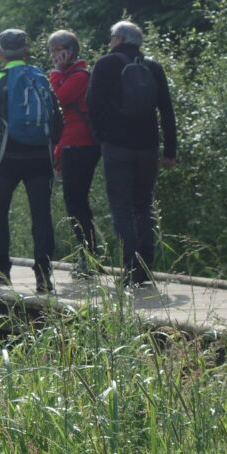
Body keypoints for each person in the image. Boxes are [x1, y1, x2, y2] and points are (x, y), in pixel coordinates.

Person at [0, 29, 63, 293]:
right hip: (40, 159)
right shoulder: (40, 77)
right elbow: (57, 121)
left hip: (8, 157)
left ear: (0, 53)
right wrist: (53, 152)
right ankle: (44, 277)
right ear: (25, 51)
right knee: (41, 215)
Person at [87, 20, 176, 289]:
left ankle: (129, 267)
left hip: (117, 145)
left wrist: (101, 135)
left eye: (111, 37)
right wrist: (170, 150)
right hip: (148, 146)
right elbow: (167, 111)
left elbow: (91, 103)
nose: (109, 41)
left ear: (119, 38)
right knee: (143, 205)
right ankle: (145, 268)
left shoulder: (106, 64)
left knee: (121, 206)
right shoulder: (153, 66)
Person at [47, 29, 102, 279]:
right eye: (52, 51)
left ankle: (89, 258)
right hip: (71, 144)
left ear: (71, 50)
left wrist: (56, 74)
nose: (55, 56)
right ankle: (90, 255)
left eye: (59, 50)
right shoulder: (70, 74)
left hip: (81, 145)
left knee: (76, 202)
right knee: (76, 202)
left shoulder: (79, 75)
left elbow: (57, 98)